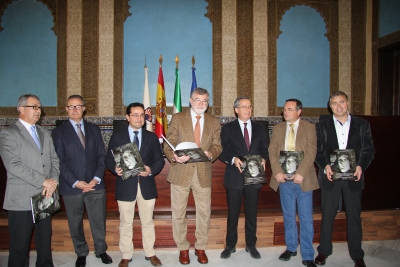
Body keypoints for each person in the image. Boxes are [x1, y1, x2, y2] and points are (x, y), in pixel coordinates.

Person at [314, 91, 375, 267]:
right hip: (330, 178)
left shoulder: (362, 125)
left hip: (353, 178)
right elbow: (318, 151)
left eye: (341, 102)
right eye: (334, 103)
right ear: (330, 106)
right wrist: (325, 165)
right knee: (327, 216)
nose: (338, 106)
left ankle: (357, 254)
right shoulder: (322, 125)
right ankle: (324, 251)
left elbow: (369, 150)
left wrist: (361, 166)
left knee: (354, 216)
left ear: (347, 103)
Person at [163, 87, 222, 265]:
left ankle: (200, 247)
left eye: (204, 101)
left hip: (203, 172)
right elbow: (169, 142)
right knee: (178, 213)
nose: (201, 104)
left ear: (208, 102)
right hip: (181, 172)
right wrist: (173, 155)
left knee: (204, 213)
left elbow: (217, 146)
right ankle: (182, 248)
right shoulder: (178, 118)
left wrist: (210, 153)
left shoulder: (214, 121)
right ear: (190, 100)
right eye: (197, 100)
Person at [52, 95, 112, 267]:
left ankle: (101, 250)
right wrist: (75, 182)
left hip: (95, 185)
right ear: (66, 109)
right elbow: (59, 161)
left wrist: (96, 179)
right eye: (71, 107)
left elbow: (102, 156)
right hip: (72, 187)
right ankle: (81, 252)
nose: (74, 109)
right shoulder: (58, 133)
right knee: (74, 222)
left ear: (84, 108)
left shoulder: (94, 129)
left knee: (98, 220)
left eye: (78, 106)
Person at [0, 94, 60, 267]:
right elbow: (13, 165)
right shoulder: (8, 134)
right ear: (21, 109)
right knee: (20, 246)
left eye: (39, 107)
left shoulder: (44, 132)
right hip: (21, 199)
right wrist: (44, 180)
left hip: (45, 196)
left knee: (44, 243)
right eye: (34, 106)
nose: (38, 111)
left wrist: (53, 182)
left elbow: (54, 160)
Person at [105, 102, 165, 267]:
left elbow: (159, 160)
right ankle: (126, 254)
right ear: (127, 117)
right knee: (125, 222)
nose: (139, 118)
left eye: (142, 115)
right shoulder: (118, 136)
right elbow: (108, 159)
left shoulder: (151, 137)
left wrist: (150, 169)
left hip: (146, 185)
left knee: (148, 222)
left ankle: (150, 253)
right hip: (125, 185)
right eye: (135, 115)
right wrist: (115, 168)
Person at [269, 99, 318, 267]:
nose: (286, 112)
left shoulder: (309, 128)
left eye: (290, 109)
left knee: (305, 218)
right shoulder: (277, 128)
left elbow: (311, 152)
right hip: (284, 180)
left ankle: (308, 254)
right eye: (284, 109)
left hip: (303, 180)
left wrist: (300, 173)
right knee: (288, 216)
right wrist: (278, 172)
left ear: (299, 111)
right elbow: (272, 152)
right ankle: (291, 247)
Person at [219, 96, 269, 260]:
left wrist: (263, 158)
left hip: (254, 177)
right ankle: (230, 245)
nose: (248, 109)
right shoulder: (227, 128)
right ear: (236, 110)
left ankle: (251, 245)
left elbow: (264, 148)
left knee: (251, 212)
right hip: (235, 177)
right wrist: (233, 159)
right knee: (233, 213)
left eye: (250, 106)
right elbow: (222, 151)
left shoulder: (260, 127)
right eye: (244, 107)